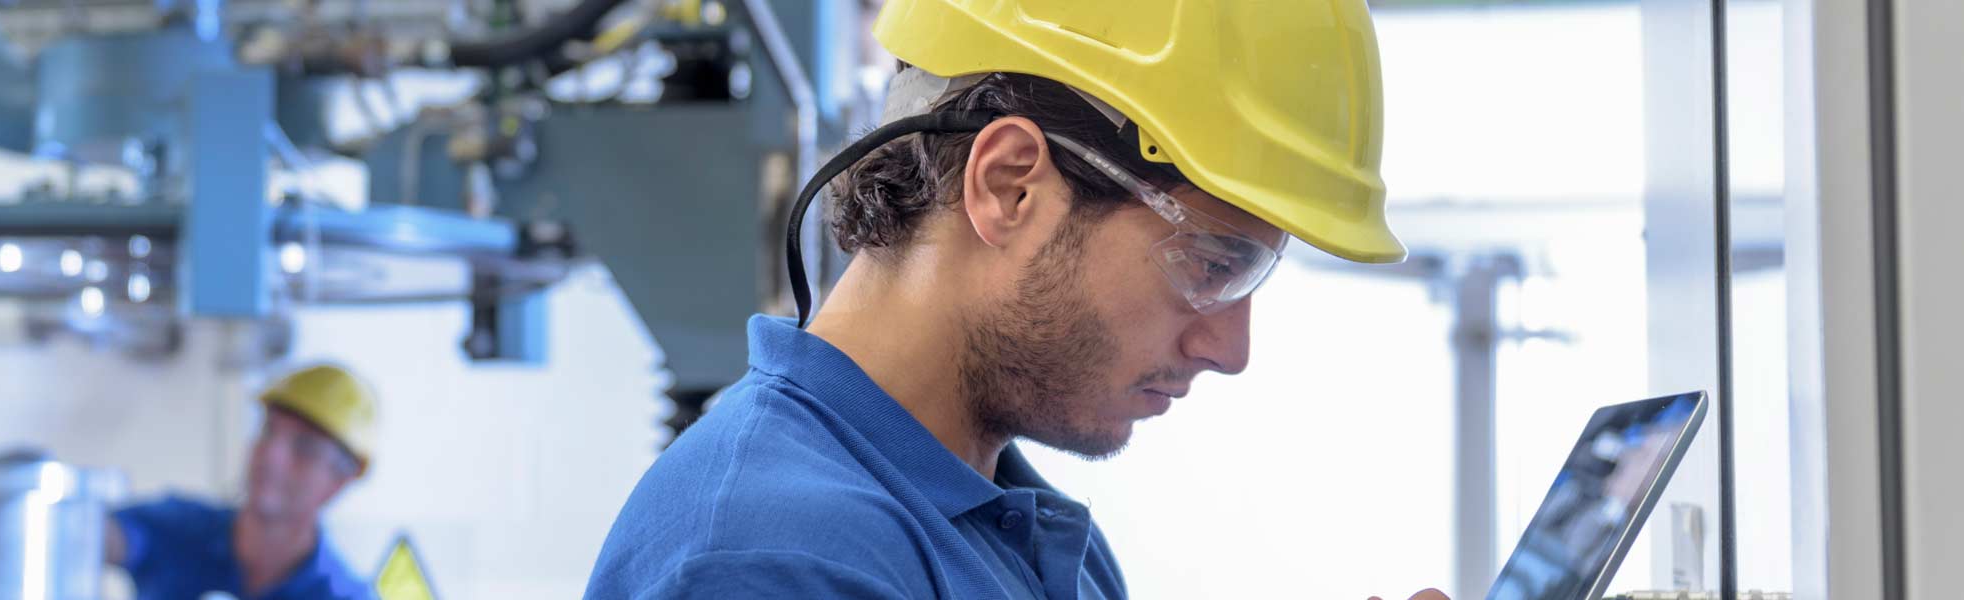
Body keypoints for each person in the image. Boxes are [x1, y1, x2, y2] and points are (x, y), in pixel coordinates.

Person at [585, 1, 1447, 598]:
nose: (1229, 349)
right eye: (1213, 264)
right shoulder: (773, 559)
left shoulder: (1014, 529)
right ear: (1008, 186)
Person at [107, 365, 378, 600]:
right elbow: (94, 534)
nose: (272, 455)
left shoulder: (341, 596)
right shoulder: (178, 530)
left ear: (339, 481)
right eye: (269, 430)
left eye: (304, 447)